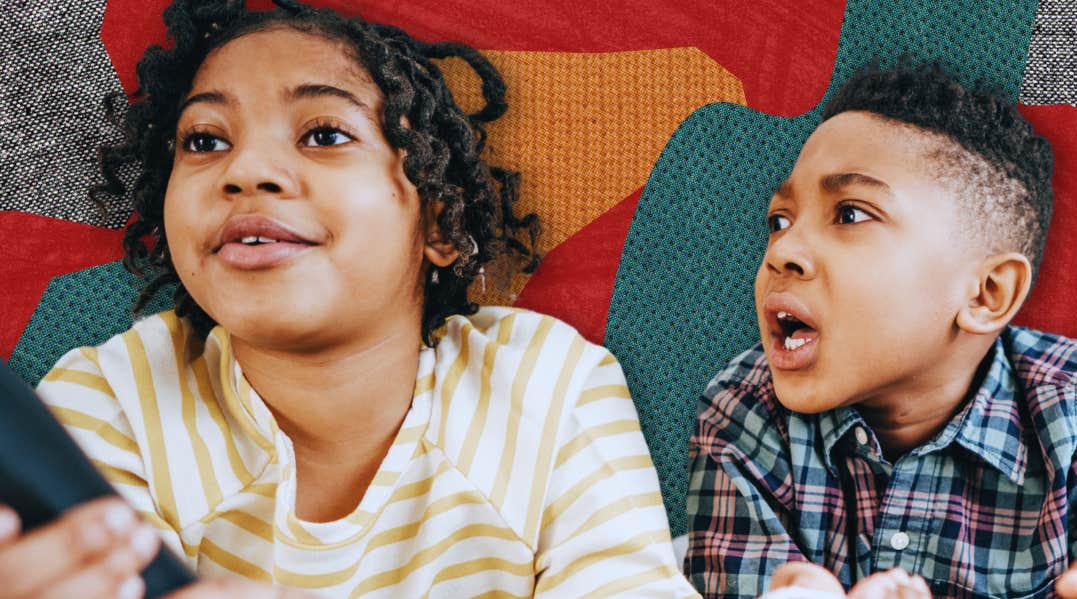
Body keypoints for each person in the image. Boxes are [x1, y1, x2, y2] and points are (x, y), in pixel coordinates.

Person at [0, 1, 695, 596]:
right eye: (206, 140)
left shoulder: (552, 387)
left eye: (325, 134)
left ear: (439, 223)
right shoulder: (112, 399)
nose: (247, 170)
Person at [684, 61, 1077, 599]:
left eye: (851, 215)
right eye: (779, 221)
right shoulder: (741, 410)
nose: (781, 252)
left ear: (986, 294)